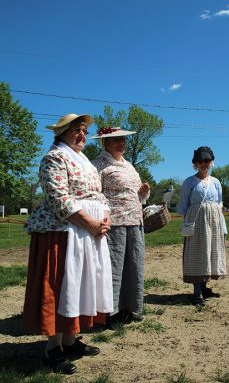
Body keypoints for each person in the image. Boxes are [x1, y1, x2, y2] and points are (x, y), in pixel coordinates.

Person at [23, 113, 113, 374]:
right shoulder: (54, 158)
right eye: (76, 130)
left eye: (84, 130)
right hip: (63, 232)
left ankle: (71, 341)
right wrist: (91, 223)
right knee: (62, 285)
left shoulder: (85, 161)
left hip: (88, 234)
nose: (82, 134)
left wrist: (105, 217)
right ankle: (53, 348)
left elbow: (98, 194)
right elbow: (59, 198)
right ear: (61, 133)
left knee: (81, 286)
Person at [92, 126, 150, 325]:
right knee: (114, 268)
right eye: (116, 139)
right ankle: (111, 312)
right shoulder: (98, 165)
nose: (122, 143)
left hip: (135, 220)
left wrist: (143, 192)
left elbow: (137, 195)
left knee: (133, 266)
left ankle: (130, 307)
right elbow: (94, 193)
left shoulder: (129, 165)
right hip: (114, 222)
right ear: (105, 143)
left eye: (123, 139)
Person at [177, 146, 227, 305]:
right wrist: (187, 225)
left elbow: (219, 203)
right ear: (195, 163)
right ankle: (197, 292)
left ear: (212, 162)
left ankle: (205, 288)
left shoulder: (216, 182)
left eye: (207, 160)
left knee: (210, 253)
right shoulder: (189, 182)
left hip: (214, 222)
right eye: (201, 161)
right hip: (197, 223)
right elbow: (183, 206)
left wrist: (222, 226)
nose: (204, 164)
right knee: (198, 254)